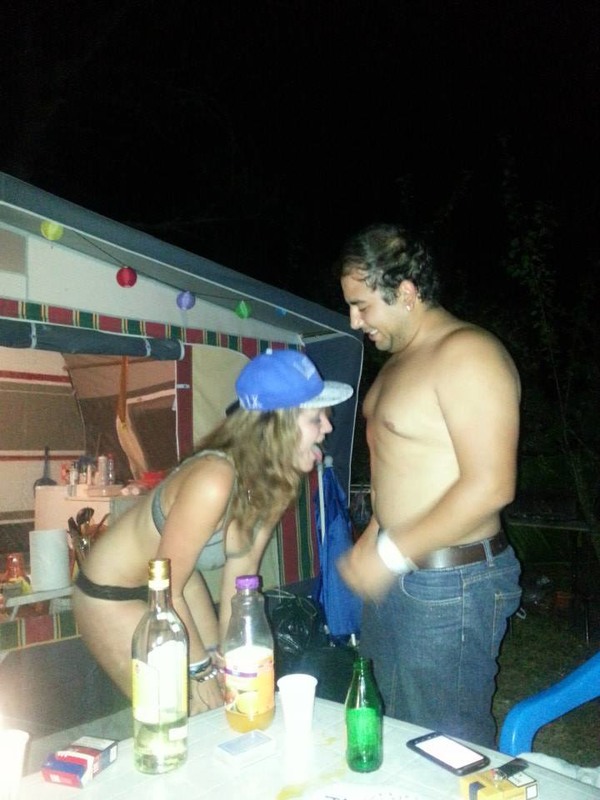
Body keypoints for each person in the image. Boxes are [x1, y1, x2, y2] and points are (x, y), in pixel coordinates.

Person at [73, 349, 352, 716]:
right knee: (178, 712)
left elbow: (241, 586)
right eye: (316, 418)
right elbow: (166, 589)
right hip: (115, 595)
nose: (328, 428)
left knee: (226, 697)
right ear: (276, 424)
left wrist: (232, 659)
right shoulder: (213, 479)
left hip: (178, 588)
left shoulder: (274, 487)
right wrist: (200, 669)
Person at [336, 223, 522, 747]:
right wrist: (374, 534)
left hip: (451, 583)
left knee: (445, 745)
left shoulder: (468, 354)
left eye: (362, 306)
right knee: (389, 724)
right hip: (399, 568)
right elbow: (402, 468)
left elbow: (491, 485)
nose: (354, 321)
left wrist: (390, 552)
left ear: (406, 293)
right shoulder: (400, 362)